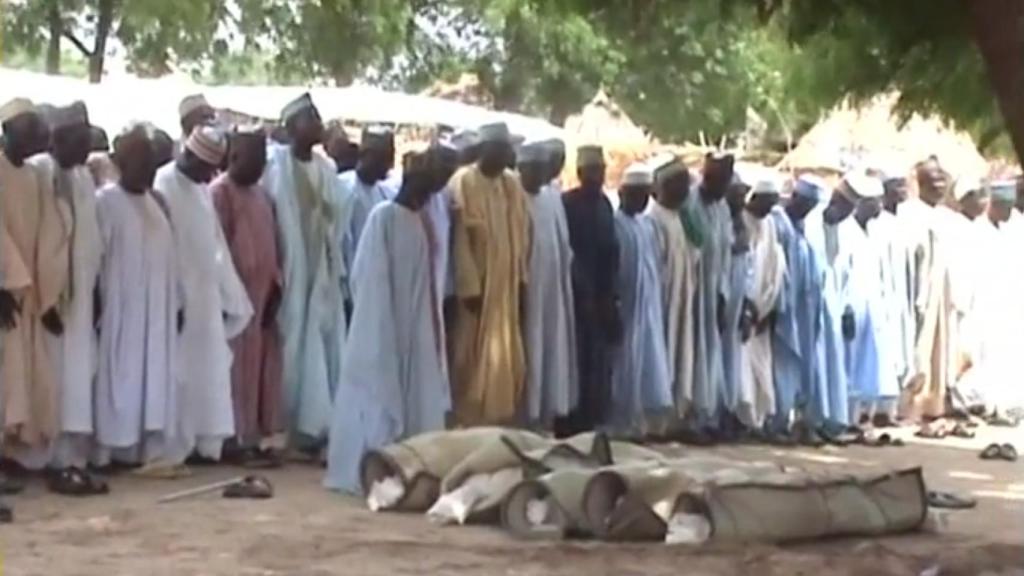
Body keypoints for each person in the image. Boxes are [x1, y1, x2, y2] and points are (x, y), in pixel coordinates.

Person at [324, 147, 450, 494]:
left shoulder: (419, 221)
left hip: (415, 325)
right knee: (376, 390)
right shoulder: (384, 217)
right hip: (379, 324)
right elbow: (366, 276)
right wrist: (383, 325)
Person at [153, 126, 252, 471]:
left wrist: (229, 295)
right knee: (180, 372)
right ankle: (178, 443)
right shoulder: (163, 183)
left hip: (205, 298)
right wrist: (176, 299)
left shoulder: (199, 190)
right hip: (177, 298)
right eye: (206, 168)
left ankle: (206, 443)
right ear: (190, 156)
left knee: (208, 372)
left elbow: (216, 244)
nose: (209, 177)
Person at [93, 125, 181, 471]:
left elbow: (171, 260)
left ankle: (145, 449)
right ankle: (111, 450)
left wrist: (177, 304)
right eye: (139, 161)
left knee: (152, 377)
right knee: (121, 376)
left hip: (157, 312)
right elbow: (94, 260)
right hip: (121, 312)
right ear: (120, 162)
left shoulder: (157, 203)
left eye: (150, 162)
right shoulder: (105, 202)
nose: (146, 169)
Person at [265, 93, 348, 448]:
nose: (317, 124)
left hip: (322, 269)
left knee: (322, 343)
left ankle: (316, 425)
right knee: (292, 344)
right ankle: (286, 423)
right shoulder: (275, 167)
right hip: (290, 271)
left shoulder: (326, 169)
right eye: (309, 118)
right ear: (291, 127)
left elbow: (335, 217)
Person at [35, 103, 107, 493]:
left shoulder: (82, 178)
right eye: (79, 139)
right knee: (51, 377)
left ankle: (70, 459)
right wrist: (44, 299)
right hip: (49, 300)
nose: (86, 147)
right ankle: (45, 458)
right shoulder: (39, 173)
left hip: (80, 298)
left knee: (78, 375)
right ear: (57, 139)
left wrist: (94, 291)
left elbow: (91, 238)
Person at [449, 122, 530, 426]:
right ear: (485, 150)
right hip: (477, 290)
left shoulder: (511, 185)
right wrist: (469, 286)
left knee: (506, 355)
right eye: (502, 149)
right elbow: (460, 238)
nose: (508, 156)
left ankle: (497, 419)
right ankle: (466, 421)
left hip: (505, 287)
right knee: (468, 355)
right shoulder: (463, 182)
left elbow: (521, 235)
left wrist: (521, 280)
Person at [0, 98, 66, 469]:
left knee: (18, 377)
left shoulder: (32, 177)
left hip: (25, 291)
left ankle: (11, 454)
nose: (34, 136)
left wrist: (47, 293)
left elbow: (48, 233)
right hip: (6, 291)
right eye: (27, 128)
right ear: (6, 130)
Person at [211, 127, 284, 464]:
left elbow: (274, 247)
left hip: (260, 301)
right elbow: (218, 251)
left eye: (263, 159)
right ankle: (231, 441)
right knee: (232, 373)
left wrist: (275, 288)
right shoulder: (220, 194)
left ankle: (250, 438)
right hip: (233, 304)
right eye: (255, 159)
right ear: (234, 157)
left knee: (256, 372)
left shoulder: (263, 196)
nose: (260, 166)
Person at [517, 142, 577, 428]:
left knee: (550, 349)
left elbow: (563, 244)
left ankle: (545, 417)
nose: (542, 175)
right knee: (529, 350)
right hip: (526, 290)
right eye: (536, 169)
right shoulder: (513, 195)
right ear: (522, 168)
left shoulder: (552, 197)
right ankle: (525, 418)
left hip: (553, 289)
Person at [560, 145, 619, 436]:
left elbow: (611, 252)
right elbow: (568, 251)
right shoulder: (568, 204)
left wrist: (609, 296)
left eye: (601, 171)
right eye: (593, 171)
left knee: (598, 361)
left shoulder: (605, 205)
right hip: (575, 295)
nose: (598, 177)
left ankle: (591, 418)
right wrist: (583, 292)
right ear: (581, 173)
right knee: (575, 359)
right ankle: (570, 420)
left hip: (601, 293)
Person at [611, 163, 672, 435]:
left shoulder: (647, 225)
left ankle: (641, 422)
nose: (642, 200)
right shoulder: (615, 224)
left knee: (647, 363)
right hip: (625, 305)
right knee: (624, 365)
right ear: (623, 193)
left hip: (648, 305)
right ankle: (621, 421)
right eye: (637, 194)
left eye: (646, 194)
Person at [838, 172, 900, 427]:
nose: (880, 206)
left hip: (873, 305)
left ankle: (867, 413)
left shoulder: (876, 231)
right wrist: (845, 307)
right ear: (863, 202)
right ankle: (846, 416)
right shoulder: (845, 230)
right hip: (850, 306)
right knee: (849, 362)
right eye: (875, 201)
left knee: (870, 362)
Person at [769, 175, 827, 443]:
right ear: (795, 198)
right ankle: (777, 421)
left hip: (805, 308)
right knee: (782, 364)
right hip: (785, 307)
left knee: (805, 365)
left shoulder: (804, 227)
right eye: (805, 203)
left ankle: (802, 421)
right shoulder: (778, 222)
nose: (807, 209)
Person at [903, 158, 959, 420]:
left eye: (942, 181)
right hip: (919, 291)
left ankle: (933, 405)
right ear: (922, 183)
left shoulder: (947, 217)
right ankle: (911, 406)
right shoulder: (910, 214)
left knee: (940, 350)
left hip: (942, 292)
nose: (940, 186)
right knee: (919, 352)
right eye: (934, 181)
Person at [646, 157, 699, 423]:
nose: (685, 190)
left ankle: (676, 417)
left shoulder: (681, 219)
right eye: (679, 184)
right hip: (663, 303)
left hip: (682, 301)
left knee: (681, 358)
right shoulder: (653, 219)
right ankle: (657, 420)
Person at [690, 153, 735, 437]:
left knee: (710, 354)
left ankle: (708, 416)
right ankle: (691, 419)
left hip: (713, 292)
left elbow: (726, 252)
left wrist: (722, 293)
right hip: (693, 293)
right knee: (692, 354)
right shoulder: (689, 204)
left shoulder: (723, 208)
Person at [737, 171, 785, 432]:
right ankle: (741, 421)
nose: (768, 209)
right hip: (741, 310)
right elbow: (744, 269)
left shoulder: (769, 225)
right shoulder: (740, 222)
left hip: (761, 310)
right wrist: (745, 307)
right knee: (741, 369)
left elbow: (774, 268)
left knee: (760, 369)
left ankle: (757, 422)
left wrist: (766, 306)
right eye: (765, 202)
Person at [340, 125, 397, 307]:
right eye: (384, 158)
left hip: (377, 288)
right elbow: (342, 245)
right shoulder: (343, 187)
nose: (389, 165)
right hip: (348, 291)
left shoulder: (386, 193)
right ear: (366, 155)